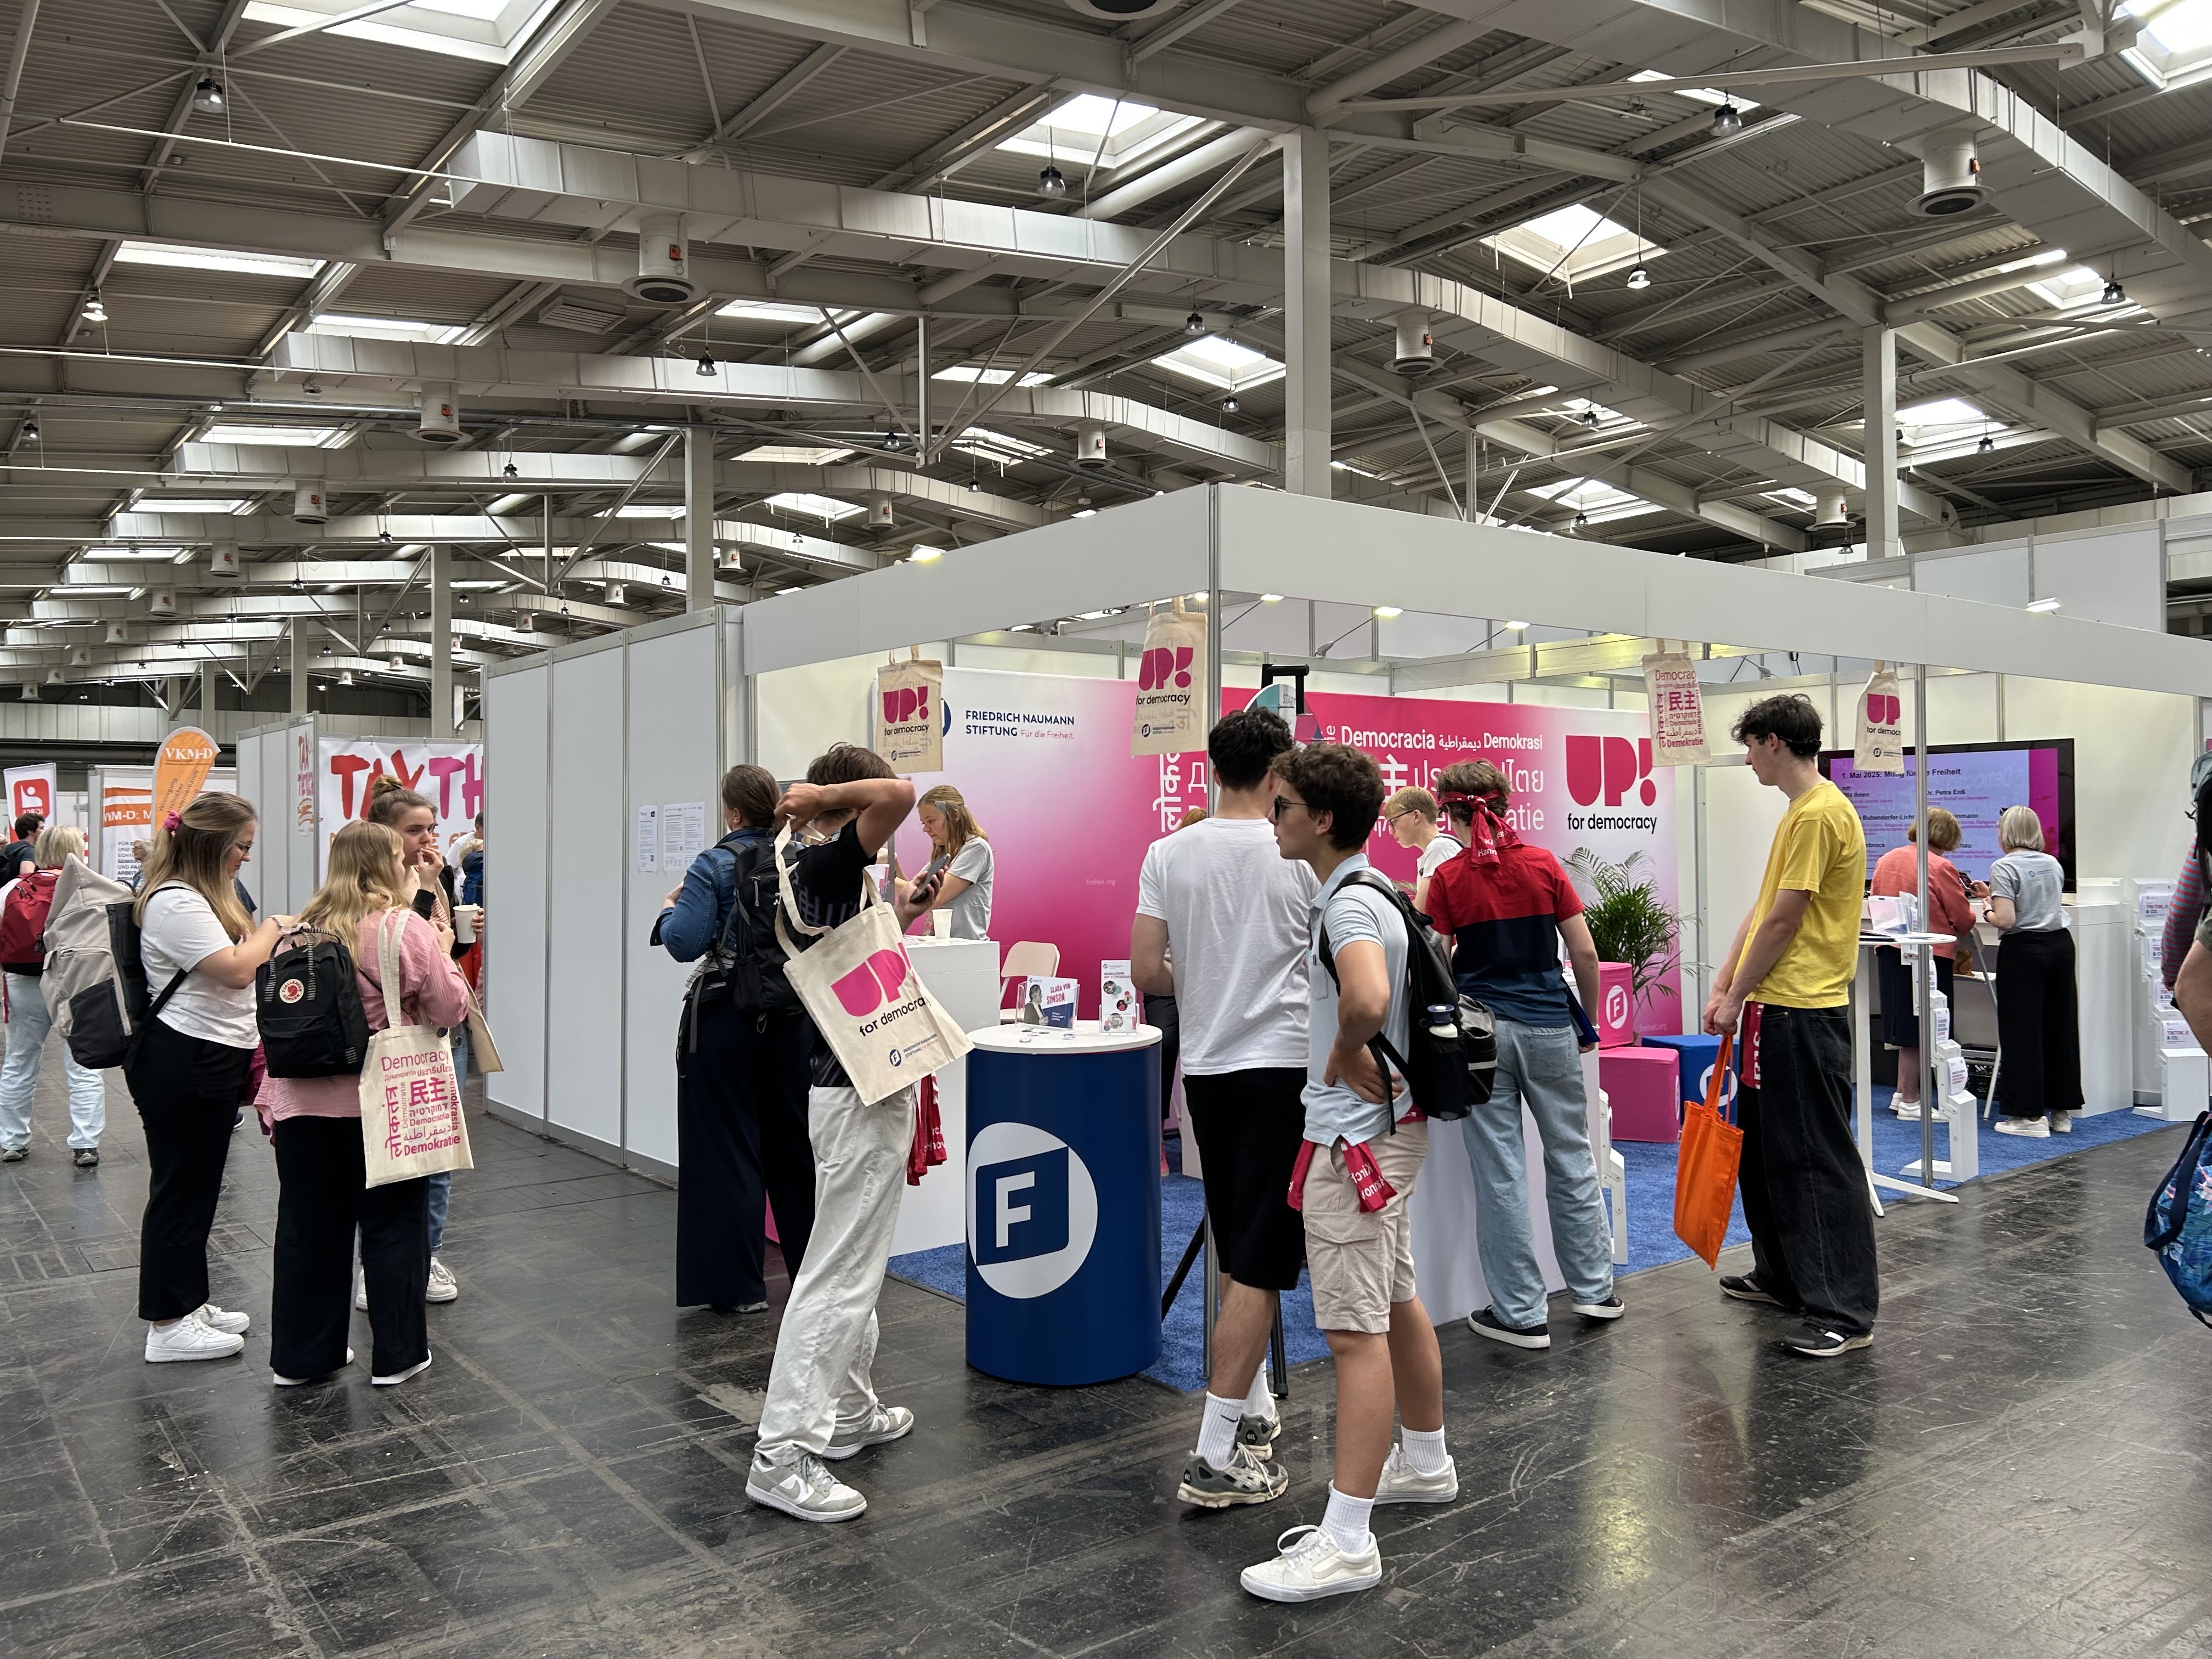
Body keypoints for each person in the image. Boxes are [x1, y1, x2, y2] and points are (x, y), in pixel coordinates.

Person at [1243, 742, 1455, 1605]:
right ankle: (1427, 1460)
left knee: (1353, 1334)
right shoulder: (1373, 889)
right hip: (1387, 1135)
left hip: (1356, 1144)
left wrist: (1342, 1049)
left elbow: (1365, 999)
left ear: (1322, 818)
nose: (1273, 817)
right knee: (1394, 1299)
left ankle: (1347, 1538)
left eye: (1284, 805)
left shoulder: (1348, 908)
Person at [1131, 708, 1314, 1510]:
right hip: (1284, 1067)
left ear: (1213, 766)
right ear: (1279, 772)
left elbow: (1148, 967)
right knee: (1265, 1259)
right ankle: (1212, 1457)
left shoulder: (1168, 851)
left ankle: (1251, 1415)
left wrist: (1207, 978)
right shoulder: (1301, 854)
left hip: (1206, 1070)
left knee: (1241, 1248)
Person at [746, 745, 934, 1524]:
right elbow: (900, 792)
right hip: (856, 1093)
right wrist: (824, 795)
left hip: (843, 1087)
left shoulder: (806, 871)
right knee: (838, 1271)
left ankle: (849, 1412)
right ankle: (783, 1452)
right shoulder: (825, 865)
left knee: (850, 1259)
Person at [1421, 760, 1620, 1350]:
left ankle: (1521, 1313)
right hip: (1551, 1029)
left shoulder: (1450, 878)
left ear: (1450, 814)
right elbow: (1584, 954)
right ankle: (1594, 1290)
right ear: (1506, 805)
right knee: (1572, 1158)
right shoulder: (1544, 865)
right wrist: (1586, 1024)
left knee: (1500, 1171)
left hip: (1483, 1040)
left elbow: (1437, 959)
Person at [262, 821, 466, 1387]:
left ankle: (304, 1358)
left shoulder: (298, 932)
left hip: (303, 1105)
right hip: (384, 1104)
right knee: (395, 1226)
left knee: (309, 1232)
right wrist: (445, 949)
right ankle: (398, 1356)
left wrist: (268, 1096)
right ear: (390, 863)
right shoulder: (404, 927)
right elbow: (450, 1009)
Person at [1702, 695, 1876, 1359]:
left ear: (1775, 742)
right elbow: (1764, 907)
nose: (1746, 761)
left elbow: (1785, 919)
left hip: (1803, 1010)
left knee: (1814, 1158)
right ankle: (1784, 1277)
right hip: (1775, 1008)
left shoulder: (1822, 813)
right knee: (1767, 1153)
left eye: (1749, 747)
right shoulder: (1802, 814)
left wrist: (1736, 992)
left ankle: (1843, 1310)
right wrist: (1726, 988)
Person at [128, 792, 288, 1363]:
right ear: (215, 844)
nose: (246, 857)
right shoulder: (176, 903)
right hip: (183, 1058)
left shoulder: (196, 897)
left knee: (197, 1187)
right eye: (242, 846)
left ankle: (187, 1301)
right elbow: (237, 971)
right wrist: (271, 929)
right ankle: (168, 1324)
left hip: (207, 1056)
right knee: (181, 1189)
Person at [654, 764, 816, 1314]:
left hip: (725, 1019)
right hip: (792, 1018)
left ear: (732, 812)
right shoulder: (799, 860)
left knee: (730, 1150)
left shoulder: (714, 864)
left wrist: (670, 907)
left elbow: (684, 942)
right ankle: (812, 1279)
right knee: (793, 1151)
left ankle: (739, 1289)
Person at [364, 776, 467, 1304]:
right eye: (413, 830)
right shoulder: (371, 892)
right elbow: (412, 949)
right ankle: (382, 1263)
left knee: (438, 1156)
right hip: (397, 1038)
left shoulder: (435, 878)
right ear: (383, 834)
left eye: (431, 828)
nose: (426, 840)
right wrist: (436, 927)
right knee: (391, 1156)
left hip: (442, 1028)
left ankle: (424, 1256)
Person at [0, 825, 105, 1167]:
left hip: (23, 982)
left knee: (19, 1059)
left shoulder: (11, 890)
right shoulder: (89, 886)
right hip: (76, 981)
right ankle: (85, 1142)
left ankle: (13, 1140)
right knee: (83, 1062)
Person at [1978, 805, 2080, 1137]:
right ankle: (2060, 1111)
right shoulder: (2052, 863)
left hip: (2024, 951)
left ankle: (2027, 1116)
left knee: (2022, 1032)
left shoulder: (2004, 866)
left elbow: (2006, 921)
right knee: (2059, 1027)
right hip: (2060, 947)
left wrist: (1987, 908)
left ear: (2006, 833)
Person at [1869, 808, 1975, 1116]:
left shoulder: (1886, 860)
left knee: (1904, 1024)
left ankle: (1902, 1093)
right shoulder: (1940, 866)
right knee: (1922, 1030)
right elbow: (1964, 920)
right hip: (1927, 956)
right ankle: (1912, 1101)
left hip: (1890, 950)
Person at [901, 785, 993, 939]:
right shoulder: (944, 854)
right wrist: (893, 865)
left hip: (965, 948)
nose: (926, 829)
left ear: (955, 815)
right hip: (940, 945)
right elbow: (912, 895)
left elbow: (932, 898)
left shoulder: (977, 848)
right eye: (924, 823)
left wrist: (892, 882)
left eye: (931, 821)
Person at [1382, 787, 1462, 914]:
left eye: (1394, 822)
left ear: (1416, 816)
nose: (1391, 831)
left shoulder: (1440, 848)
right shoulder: (1440, 847)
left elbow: (1421, 913)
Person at [2, 812, 41, 883]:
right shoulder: (30, 852)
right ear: (31, 831)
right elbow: (26, 876)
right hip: (18, 892)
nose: (44, 831)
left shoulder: (7, 848)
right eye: (41, 828)